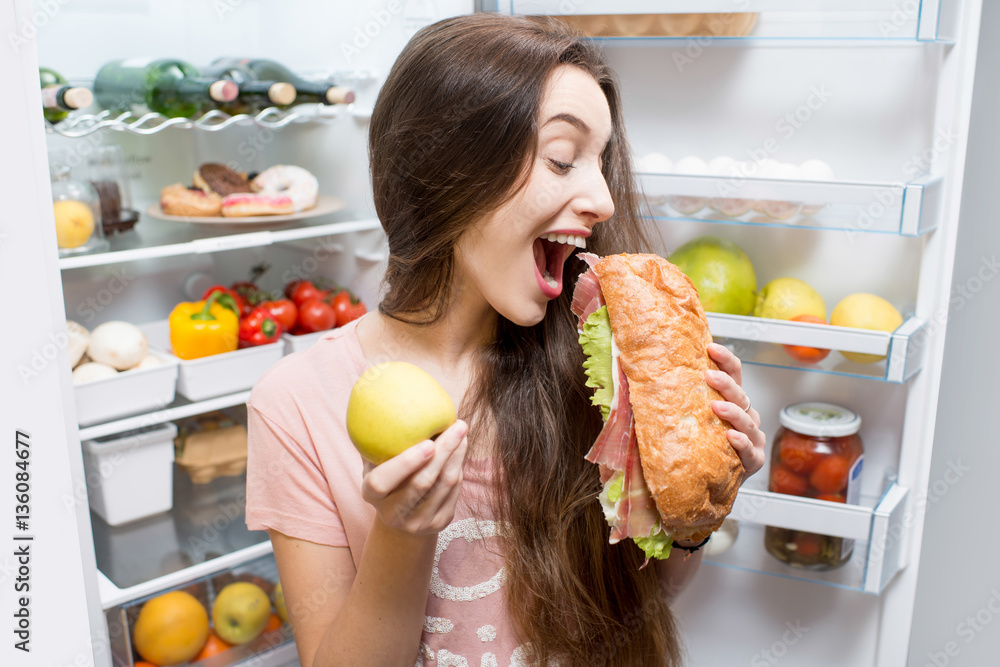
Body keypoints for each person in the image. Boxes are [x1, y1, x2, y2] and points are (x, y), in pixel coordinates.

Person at [245, 13, 765, 667]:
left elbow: (643, 592)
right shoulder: (297, 403)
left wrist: (692, 517)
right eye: (562, 158)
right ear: (444, 163)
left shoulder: (590, 361)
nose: (603, 199)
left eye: (602, 163)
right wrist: (402, 535)